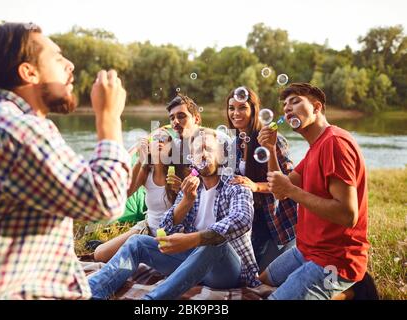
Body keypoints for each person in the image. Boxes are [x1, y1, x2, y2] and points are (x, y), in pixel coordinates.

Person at [0, 23, 130, 299]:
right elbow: (105, 199)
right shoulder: (17, 129)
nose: (70, 65)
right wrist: (108, 117)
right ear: (29, 72)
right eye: (58, 58)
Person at [88, 128, 260, 300]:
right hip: (194, 266)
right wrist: (186, 202)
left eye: (208, 148)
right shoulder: (191, 188)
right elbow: (164, 229)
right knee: (137, 242)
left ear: (221, 155)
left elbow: (242, 219)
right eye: (198, 151)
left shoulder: (236, 185)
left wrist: (194, 239)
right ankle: (91, 291)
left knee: (215, 242)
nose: (203, 154)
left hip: (227, 273)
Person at [258, 83, 369, 300]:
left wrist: (291, 190)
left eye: (296, 101)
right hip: (305, 251)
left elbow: (347, 215)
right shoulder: (315, 148)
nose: (287, 108)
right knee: (258, 284)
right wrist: (271, 151)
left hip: (335, 261)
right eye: (285, 105)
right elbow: (280, 190)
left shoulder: (334, 143)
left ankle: (349, 292)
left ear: (317, 107)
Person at [225, 87, 297, 271]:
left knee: (268, 275)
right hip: (251, 220)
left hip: (277, 222)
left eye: (242, 107)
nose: (235, 113)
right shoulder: (234, 144)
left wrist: (255, 186)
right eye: (231, 108)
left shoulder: (272, 140)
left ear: (253, 110)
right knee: (245, 270)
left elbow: (289, 184)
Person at [93, 126, 183, 262]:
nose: (160, 141)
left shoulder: (180, 172)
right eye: (155, 138)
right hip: (147, 227)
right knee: (99, 254)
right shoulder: (146, 171)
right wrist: (141, 160)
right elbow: (126, 194)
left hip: (172, 233)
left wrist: (181, 189)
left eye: (165, 139)